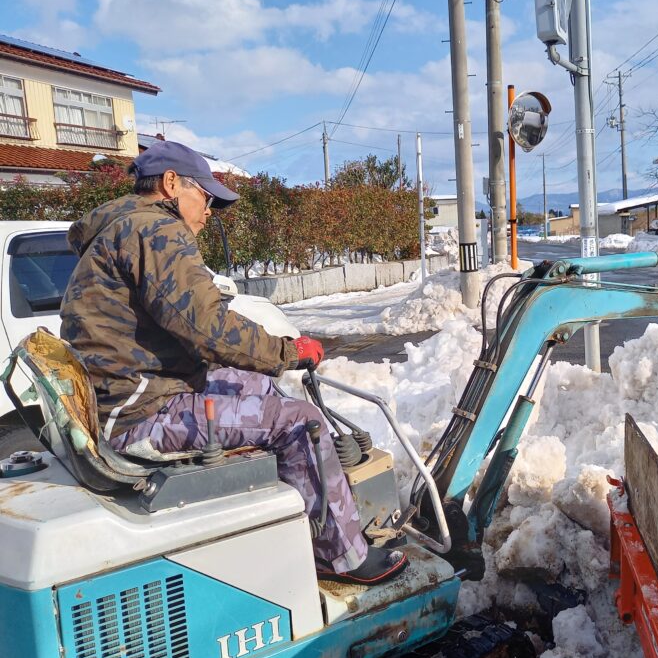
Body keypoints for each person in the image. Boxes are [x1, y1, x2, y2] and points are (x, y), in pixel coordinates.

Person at [60, 140, 407, 586]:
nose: (209, 212)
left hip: (132, 395)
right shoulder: (156, 232)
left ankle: (295, 512)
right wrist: (288, 352)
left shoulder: (123, 230)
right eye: (205, 197)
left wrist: (267, 362)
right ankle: (341, 557)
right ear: (171, 184)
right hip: (140, 414)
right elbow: (207, 329)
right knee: (301, 421)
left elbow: (192, 322)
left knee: (257, 386)